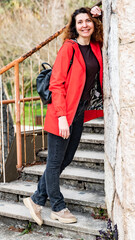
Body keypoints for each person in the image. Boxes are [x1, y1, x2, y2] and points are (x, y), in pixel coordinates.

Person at [23, 5, 103, 225]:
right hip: (62, 113)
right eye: (80, 22)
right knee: (55, 161)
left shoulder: (95, 47)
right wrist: (61, 117)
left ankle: (37, 200)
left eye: (88, 21)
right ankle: (58, 207)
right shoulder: (69, 48)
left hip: (79, 111)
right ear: (74, 27)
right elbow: (56, 84)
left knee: (65, 160)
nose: (85, 25)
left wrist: (101, 13)